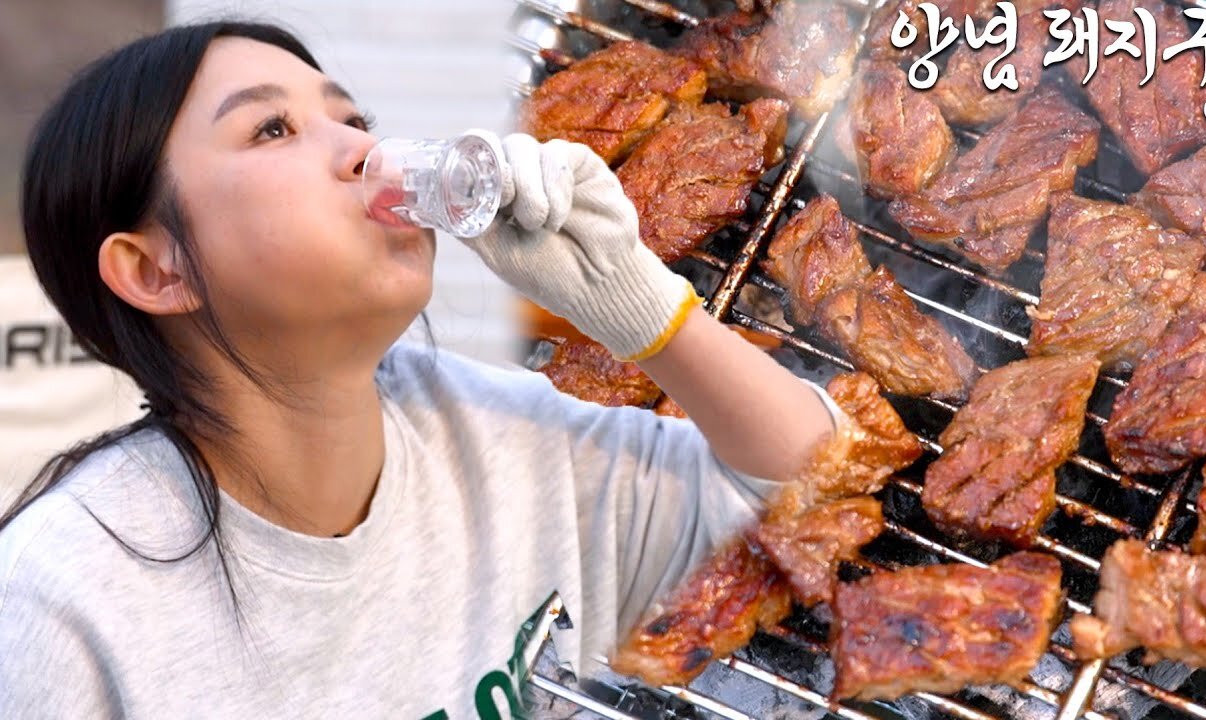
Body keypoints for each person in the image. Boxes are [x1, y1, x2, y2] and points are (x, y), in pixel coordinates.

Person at [0, 19, 841, 719]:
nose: (366, 150)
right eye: (272, 129)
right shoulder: (63, 599)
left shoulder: (484, 431)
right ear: (156, 270)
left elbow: (810, 479)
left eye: (354, 118)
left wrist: (638, 306)